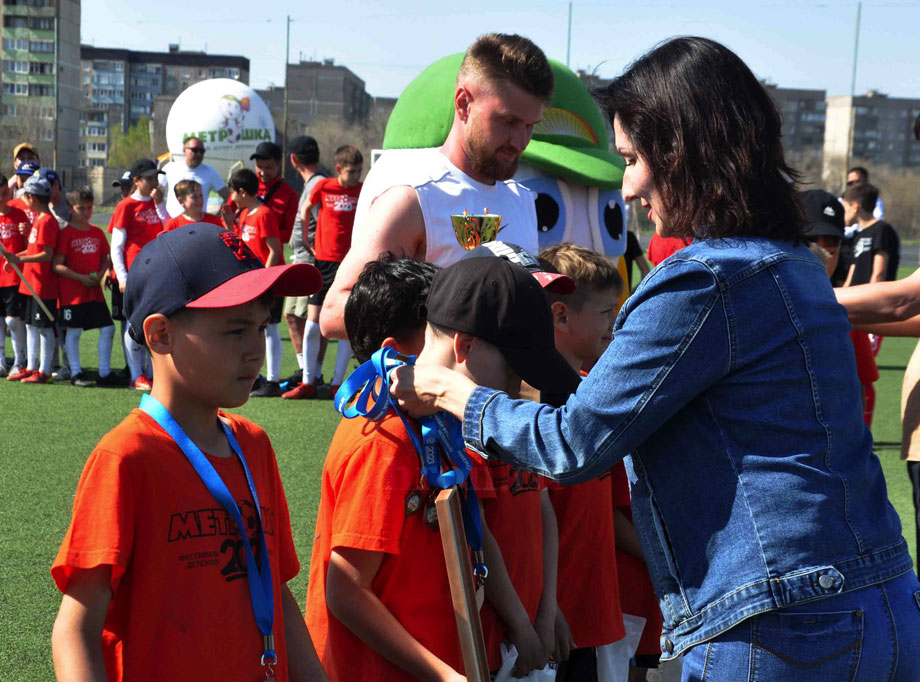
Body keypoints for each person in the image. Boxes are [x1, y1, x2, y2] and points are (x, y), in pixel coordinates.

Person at [391, 37, 920, 681]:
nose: (629, 186)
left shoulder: (703, 280)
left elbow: (575, 443)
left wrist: (448, 389)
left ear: (682, 154)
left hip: (782, 626)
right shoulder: (797, 266)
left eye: (634, 158)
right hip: (884, 602)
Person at [50, 224, 327, 682]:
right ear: (160, 335)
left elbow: (275, 589)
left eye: (260, 327)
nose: (256, 349)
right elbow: (75, 630)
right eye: (236, 330)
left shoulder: (253, 445)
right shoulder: (126, 457)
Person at [307, 255, 572, 680]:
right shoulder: (386, 438)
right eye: (511, 373)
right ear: (463, 345)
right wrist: (446, 676)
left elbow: (477, 532)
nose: (515, 391)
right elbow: (346, 590)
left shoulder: (447, 427)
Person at [319, 32, 553, 340]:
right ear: (463, 104)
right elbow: (335, 312)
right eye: (508, 122)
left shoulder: (521, 200)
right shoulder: (414, 196)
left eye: (529, 126)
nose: (520, 142)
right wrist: (451, 319)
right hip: (419, 389)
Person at [536, 242, 627, 680]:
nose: (615, 324)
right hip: (547, 619)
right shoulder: (531, 406)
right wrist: (544, 604)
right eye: (607, 311)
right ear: (561, 316)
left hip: (590, 611)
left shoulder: (592, 393)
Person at [283, 145, 362, 400]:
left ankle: (338, 383)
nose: (356, 176)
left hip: (349, 264)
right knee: (312, 323)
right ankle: (309, 381)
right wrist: (308, 241)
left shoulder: (361, 190)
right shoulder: (324, 186)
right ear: (339, 169)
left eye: (359, 171)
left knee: (344, 324)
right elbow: (305, 210)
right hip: (324, 262)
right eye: (352, 172)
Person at [228, 168, 285, 398]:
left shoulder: (264, 214)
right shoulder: (243, 214)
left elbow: (275, 250)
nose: (231, 198)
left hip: (265, 282)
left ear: (242, 192)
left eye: (233, 192)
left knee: (269, 329)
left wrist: (266, 280)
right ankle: (256, 376)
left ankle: (273, 380)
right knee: (251, 327)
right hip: (249, 282)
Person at [110, 158, 167, 391]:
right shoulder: (126, 206)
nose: (155, 182)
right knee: (134, 325)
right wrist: (122, 276)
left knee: (154, 325)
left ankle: (152, 373)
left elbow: (168, 228)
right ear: (137, 181)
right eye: (150, 178)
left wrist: (160, 205)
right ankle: (136, 375)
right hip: (136, 273)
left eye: (157, 177)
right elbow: (116, 245)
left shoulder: (158, 202)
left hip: (158, 272)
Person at [52, 188, 116, 388]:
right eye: (81, 208)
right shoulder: (66, 234)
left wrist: (100, 274)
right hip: (73, 295)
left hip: (94, 292)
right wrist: (80, 278)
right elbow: (57, 265)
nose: (87, 212)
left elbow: (106, 260)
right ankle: (76, 372)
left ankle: (105, 373)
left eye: (89, 208)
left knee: (107, 328)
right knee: (75, 331)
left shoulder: (97, 232)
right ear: (70, 208)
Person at [283, 135, 328, 382]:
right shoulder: (312, 182)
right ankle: (305, 369)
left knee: (311, 319)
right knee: (291, 315)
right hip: (299, 258)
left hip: (311, 261)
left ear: (293, 159)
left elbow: (326, 222)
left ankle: (315, 373)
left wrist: (316, 250)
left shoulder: (319, 183)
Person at [5, 174, 58, 383]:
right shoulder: (38, 219)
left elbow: (47, 254)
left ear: (32, 198)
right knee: (30, 325)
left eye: (25, 197)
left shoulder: (47, 221)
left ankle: (44, 371)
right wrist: (17, 257)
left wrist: (20, 259)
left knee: (43, 327)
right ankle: (30, 366)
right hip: (30, 283)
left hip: (42, 285)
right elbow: (33, 247)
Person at [840, 182, 900, 287]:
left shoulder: (882, 230)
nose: (842, 213)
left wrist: (873, 300)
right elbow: (852, 274)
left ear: (855, 207)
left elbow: (879, 273)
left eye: (844, 208)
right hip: (857, 299)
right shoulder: (859, 235)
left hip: (871, 300)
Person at [0, 173, 29, 377]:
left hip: (14, 277)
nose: (1, 198)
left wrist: (27, 232)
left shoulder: (19, 215)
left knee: (13, 320)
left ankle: (19, 360)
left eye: (4, 193)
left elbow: (30, 247)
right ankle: (1, 361)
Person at [159, 136, 230, 217]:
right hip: (173, 224)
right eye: (195, 150)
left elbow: (228, 196)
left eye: (202, 151)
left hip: (198, 225)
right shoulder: (170, 168)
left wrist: (217, 217)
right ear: (184, 150)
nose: (198, 154)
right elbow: (157, 192)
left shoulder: (210, 172)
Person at [247, 141, 299, 245]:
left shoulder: (289, 195)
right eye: (259, 167)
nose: (263, 172)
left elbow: (289, 234)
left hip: (273, 257)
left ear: (279, 164)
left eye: (268, 168)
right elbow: (227, 216)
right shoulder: (245, 185)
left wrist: (263, 234)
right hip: (245, 255)